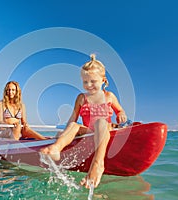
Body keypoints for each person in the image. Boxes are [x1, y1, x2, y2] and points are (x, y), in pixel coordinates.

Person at [40, 54, 127, 189]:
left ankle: (98, 163)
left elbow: (120, 111)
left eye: (93, 81)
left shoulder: (109, 96)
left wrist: (121, 115)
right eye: (85, 82)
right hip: (88, 132)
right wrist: (64, 134)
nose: (89, 85)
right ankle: (56, 148)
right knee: (74, 125)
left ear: (103, 80)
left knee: (101, 122)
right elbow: (72, 119)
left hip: (104, 132)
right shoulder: (81, 98)